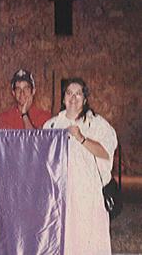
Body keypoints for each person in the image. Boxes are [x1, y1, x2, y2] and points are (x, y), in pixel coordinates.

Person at [43, 78, 117, 254]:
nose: (73, 97)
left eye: (78, 93)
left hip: (89, 196)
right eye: (69, 93)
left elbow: (105, 152)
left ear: (84, 99)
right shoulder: (52, 125)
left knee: (89, 242)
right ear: (63, 99)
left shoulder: (97, 123)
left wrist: (81, 138)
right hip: (63, 197)